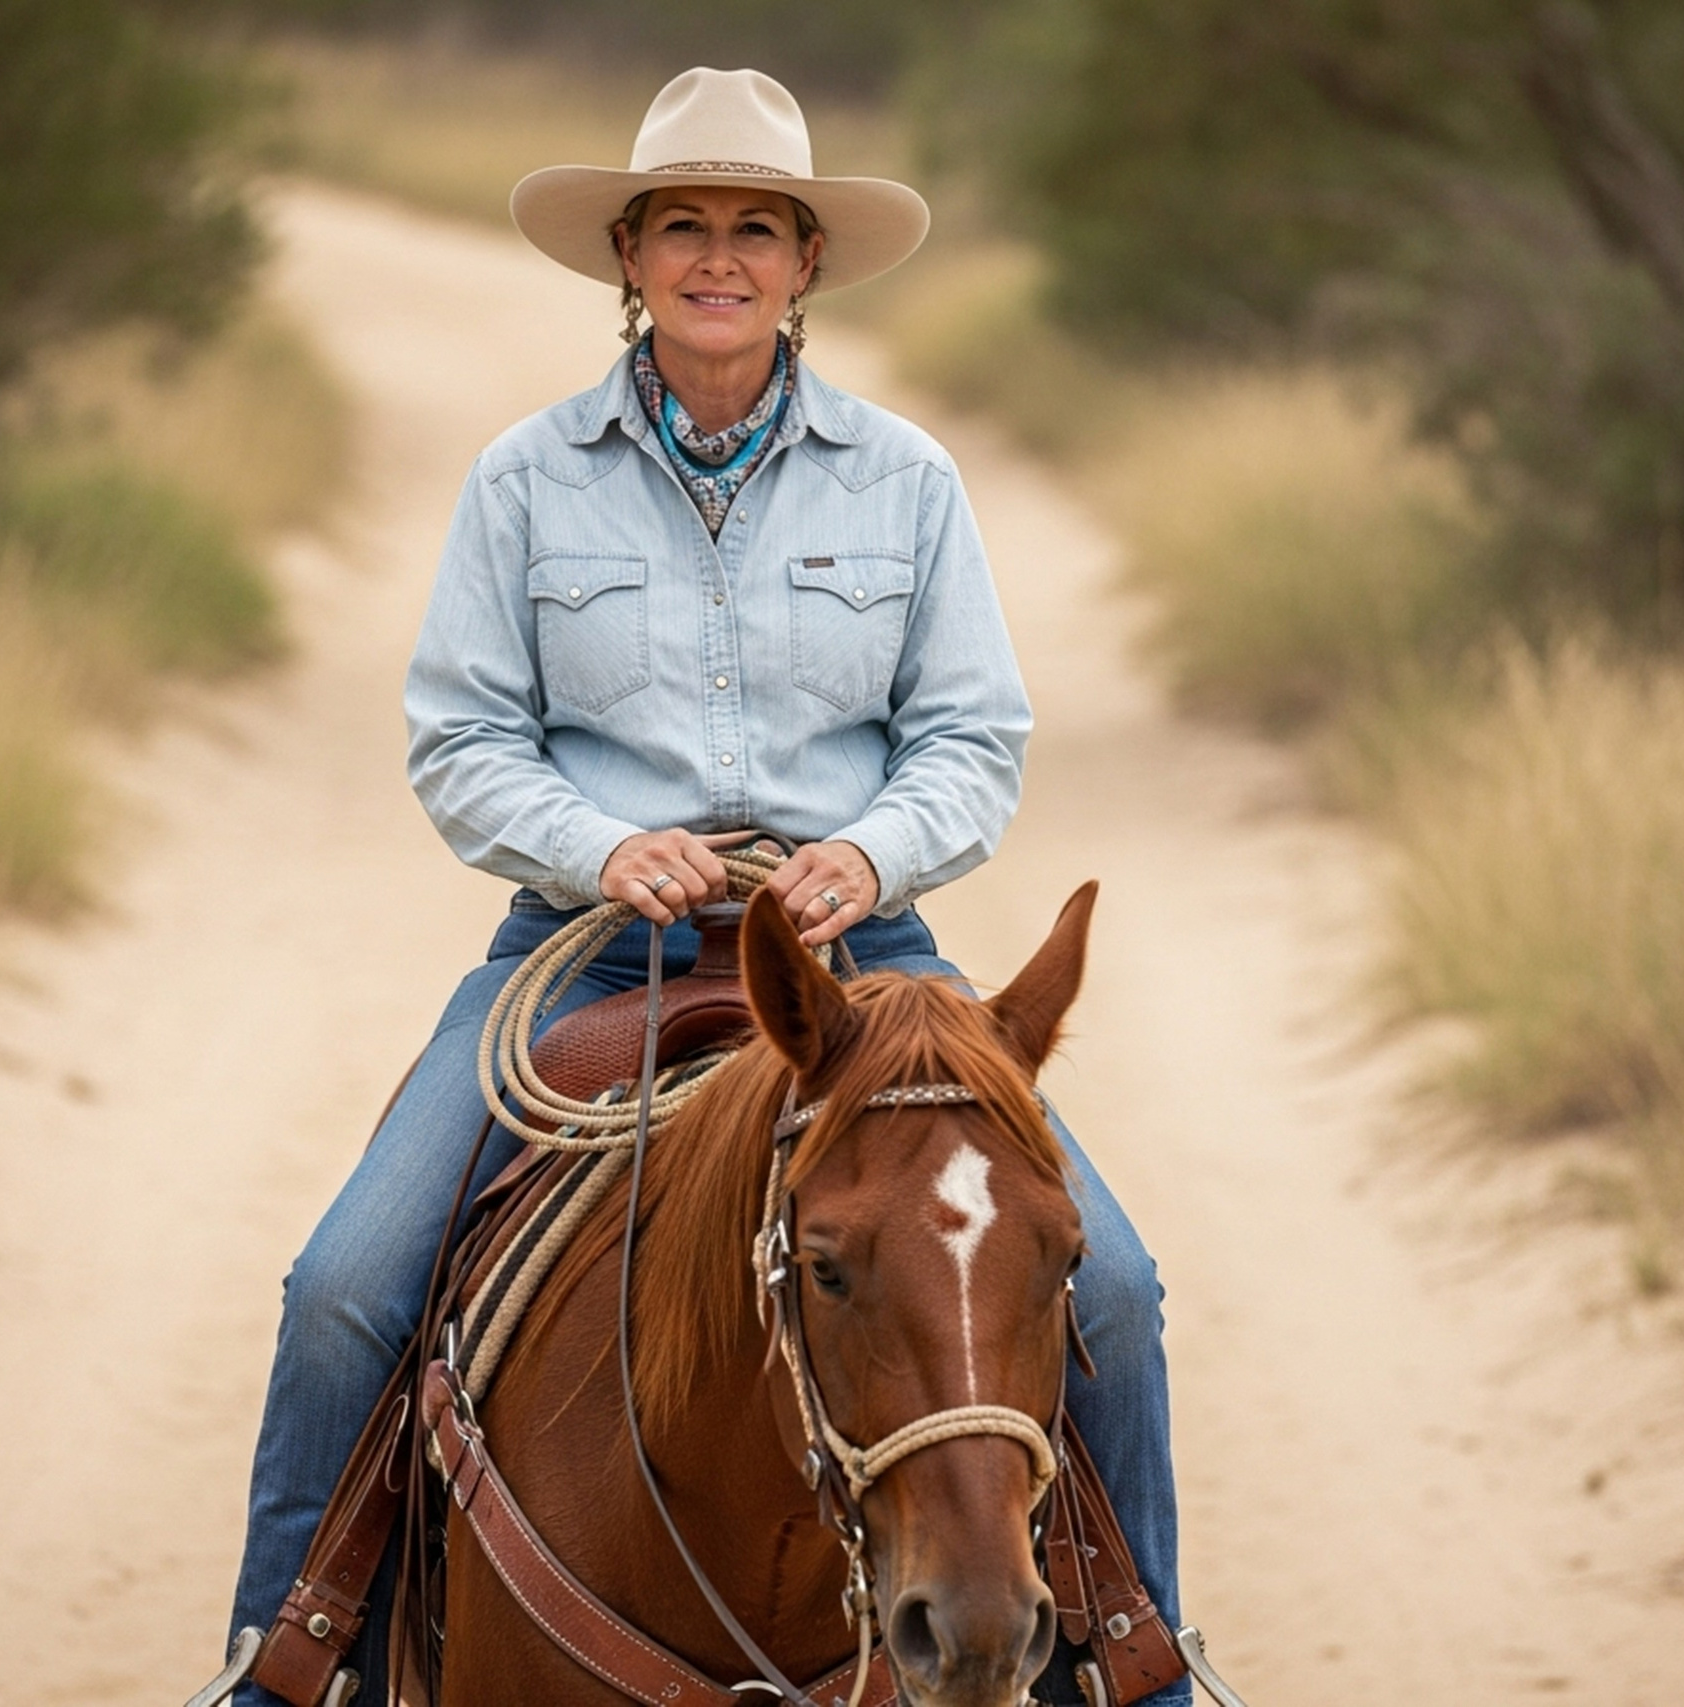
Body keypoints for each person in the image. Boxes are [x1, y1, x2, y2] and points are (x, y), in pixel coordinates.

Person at [225, 66, 1188, 1706]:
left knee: (1124, 1293)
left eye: (757, 227)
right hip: (591, 952)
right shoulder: (527, 481)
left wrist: (862, 855)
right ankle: (282, 1666)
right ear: (630, 253)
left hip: (858, 957)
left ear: (808, 262)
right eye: (686, 225)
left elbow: (972, 736)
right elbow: (461, 737)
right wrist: (603, 846)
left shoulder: (907, 483)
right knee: (342, 1288)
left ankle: (1142, 1667)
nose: (719, 257)